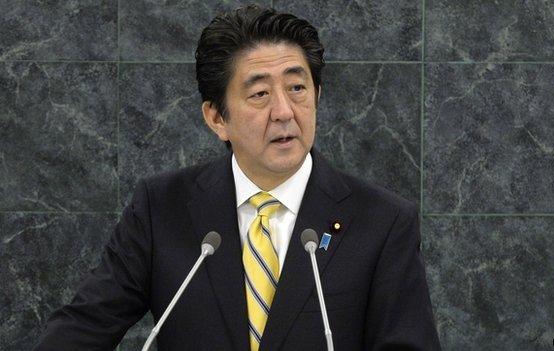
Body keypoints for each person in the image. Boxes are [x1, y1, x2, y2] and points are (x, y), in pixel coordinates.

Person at [34, 4, 440, 350]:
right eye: (260, 94)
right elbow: (80, 330)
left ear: (316, 95)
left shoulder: (383, 221)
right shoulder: (162, 209)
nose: (284, 111)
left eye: (297, 87)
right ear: (216, 117)